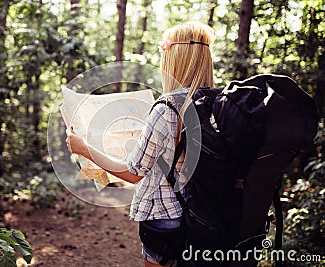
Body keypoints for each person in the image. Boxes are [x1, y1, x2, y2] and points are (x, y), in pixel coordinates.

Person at [66, 21, 215, 267]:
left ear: (175, 59)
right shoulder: (217, 103)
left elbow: (133, 173)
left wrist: (84, 148)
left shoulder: (167, 108)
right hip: (205, 216)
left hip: (166, 217)